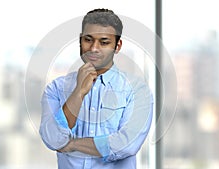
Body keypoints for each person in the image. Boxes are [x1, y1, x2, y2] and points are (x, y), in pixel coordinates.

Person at [39, 8, 153, 169]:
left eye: (104, 42)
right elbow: (52, 139)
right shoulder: (56, 89)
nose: (94, 48)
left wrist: (72, 144)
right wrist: (78, 92)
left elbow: (127, 144)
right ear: (80, 40)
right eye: (88, 39)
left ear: (117, 46)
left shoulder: (137, 90)